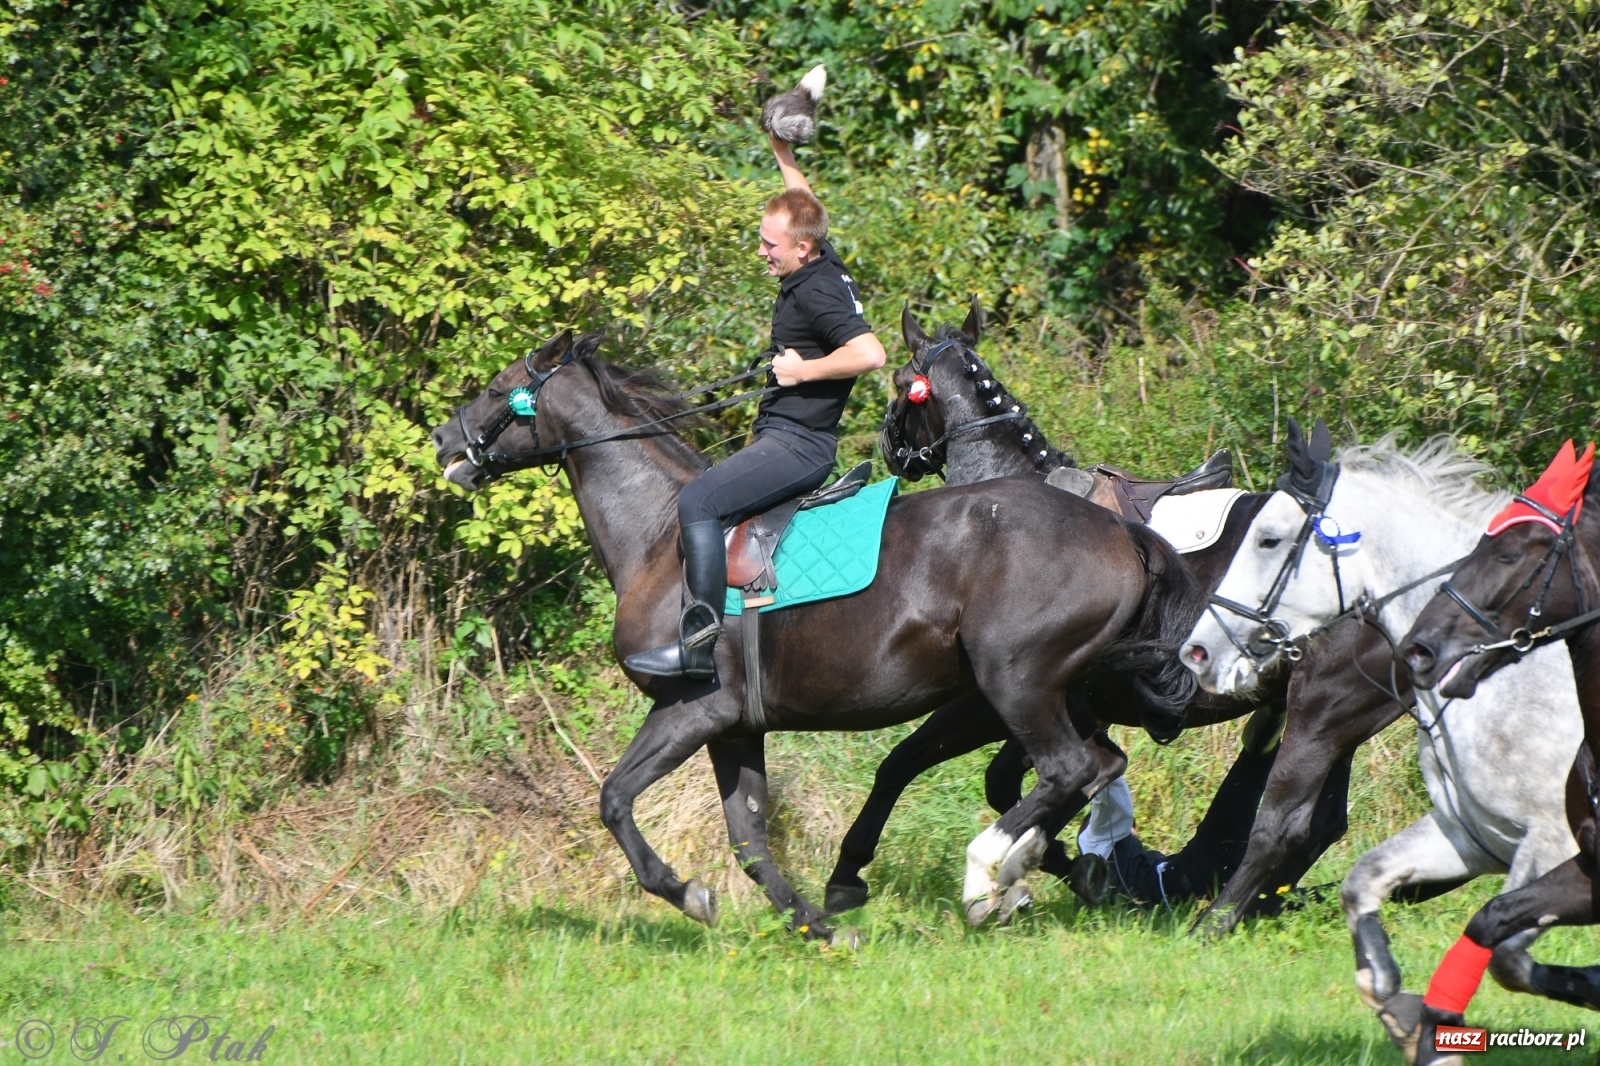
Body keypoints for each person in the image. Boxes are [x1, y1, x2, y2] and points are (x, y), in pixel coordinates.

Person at [624, 133, 887, 679]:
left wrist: (803, 370)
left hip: (798, 446)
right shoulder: (820, 257)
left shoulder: (817, 292)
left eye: (770, 245)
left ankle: (699, 646)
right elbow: (806, 206)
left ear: (801, 250)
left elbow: (871, 352)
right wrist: (783, 153)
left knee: (697, 500)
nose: (762, 252)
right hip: (784, 437)